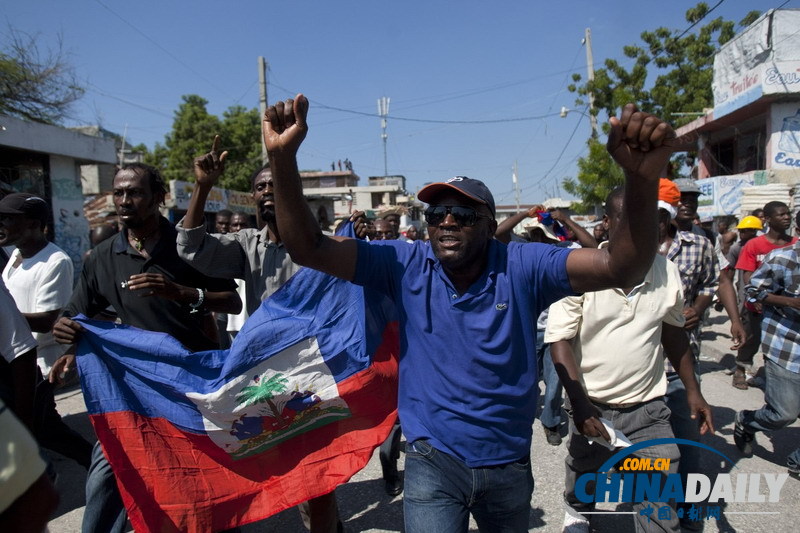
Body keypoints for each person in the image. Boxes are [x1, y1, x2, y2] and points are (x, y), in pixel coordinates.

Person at [262, 94, 674, 532]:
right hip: (431, 460)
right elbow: (309, 247)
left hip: (507, 464)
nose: (446, 222)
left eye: (462, 213)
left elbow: (621, 265)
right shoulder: (404, 263)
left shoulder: (523, 265)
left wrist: (640, 180)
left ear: (488, 223)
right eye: (436, 213)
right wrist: (283, 160)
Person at [50, 162, 241, 533]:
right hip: (131, 387)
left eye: (134, 193)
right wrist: (66, 334)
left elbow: (232, 302)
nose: (124, 201)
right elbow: (76, 312)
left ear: (158, 198)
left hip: (192, 385)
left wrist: (183, 293)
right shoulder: (103, 256)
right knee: (107, 474)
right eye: (118, 193)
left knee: (204, 472)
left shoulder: (190, 246)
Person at [177, 142, 356, 533]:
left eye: (276, 185)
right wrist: (202, 188)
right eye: (260, 187)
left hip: (315, 370)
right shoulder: (246, 245)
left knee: (316, 475)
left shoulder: (320, 244)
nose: (266, 192)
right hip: (267, 376)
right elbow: (192, 249)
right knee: (272, 461)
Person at [546, 187, 713, 533]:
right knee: (585, 477)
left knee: (657, 501)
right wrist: (579, 407)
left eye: (650, 221)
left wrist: (694, 391)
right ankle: (578, 515)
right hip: (591, 405)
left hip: (649, 409)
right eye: (629, 220)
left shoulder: (666, 271)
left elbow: (673, 335)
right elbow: (559, 340)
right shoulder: (579, 269)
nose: (642, 229)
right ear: (606, 224)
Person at [0, 193, 94, 470]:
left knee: (47, 431)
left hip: (37, 365)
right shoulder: (14, 255)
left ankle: (106, 472)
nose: (1, 224)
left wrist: (7, 318)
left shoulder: (55, 261)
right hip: (11, 362)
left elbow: (48, 320)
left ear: (33, 224)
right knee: (43, 430)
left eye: (8, 219)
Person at [735, 210, 800, 480]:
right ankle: (747, 421)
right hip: (787, 347)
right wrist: (789, 302)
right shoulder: (783, 258)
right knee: (783, 414)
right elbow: (752, 289)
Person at [734, 202, 797, 388]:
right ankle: (740, 369)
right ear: (768, 219)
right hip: (757, 305)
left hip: (786, 309)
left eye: (788, 214)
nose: (786, 217)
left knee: (779, 345)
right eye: (781, 214)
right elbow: (747, 273)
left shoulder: (794, 244)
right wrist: (757, 296)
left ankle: (774, 379)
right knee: (751, 339)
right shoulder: (755, 244)